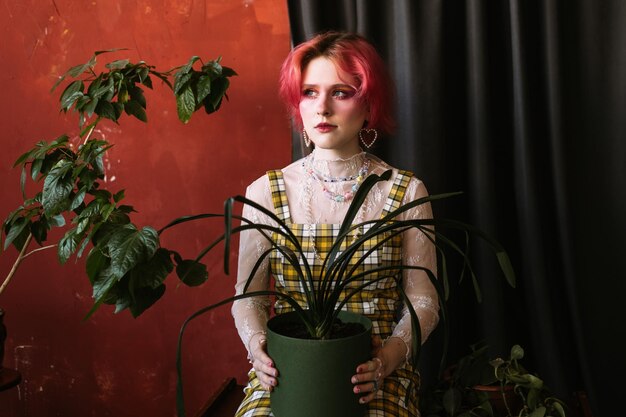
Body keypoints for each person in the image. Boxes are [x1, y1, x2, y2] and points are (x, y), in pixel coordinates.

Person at [231, 31, 439, 417]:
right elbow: (250, 298)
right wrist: (260, 348)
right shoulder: (265, 192)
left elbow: (424, 301)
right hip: (288, 370)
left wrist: (387, 361)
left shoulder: (405, 191)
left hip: (374, 374)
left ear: (368, 103)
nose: (322, 107)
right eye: (309, 92)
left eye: (340, 92)